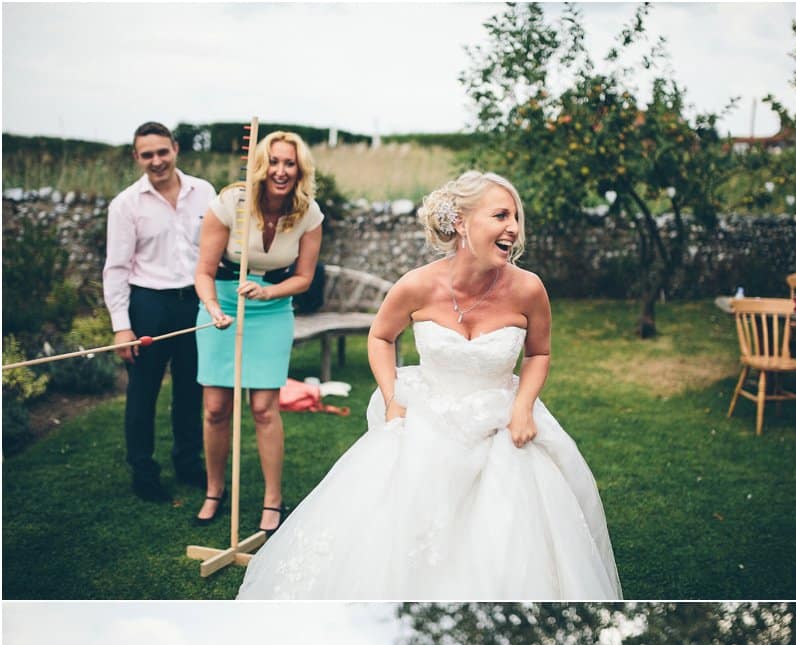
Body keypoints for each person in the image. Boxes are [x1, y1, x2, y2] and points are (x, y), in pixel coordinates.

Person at [236, 171, 621, 600]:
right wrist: (392, 399)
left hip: (501, 424)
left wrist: (523, 408)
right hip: (425, 419)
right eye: (500, 215)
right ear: (461, 222)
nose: (513, 227)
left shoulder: (528, 289)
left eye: (515, 217)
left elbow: (538, 353)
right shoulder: (417, 284)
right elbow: (381, 337)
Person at [193, 130, 324, 534]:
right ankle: (215, 491)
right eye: (274, 162)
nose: (281, 171)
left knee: (265, 408)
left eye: (290, 164)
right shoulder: (232, 202)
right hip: (223, 306)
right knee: (216, 407)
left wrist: (269, 292)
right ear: (260, 165)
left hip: (271, 310)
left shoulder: (309, 213)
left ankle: (272, 500)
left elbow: (303, 278)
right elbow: (203, 271)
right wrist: (213, 308)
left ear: (299, 170)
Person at [106, 121, 215, 503]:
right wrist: (122, 327)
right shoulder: (125, 205)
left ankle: (188, 463)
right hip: (148, 303)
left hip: (195, 302)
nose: (156, 161)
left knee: (191, 388)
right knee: (143, 392)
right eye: (147, 154)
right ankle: (144, 471)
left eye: (162, 152)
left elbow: (218, 248)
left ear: (176, 149)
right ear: (137, 157)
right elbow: (116, 269)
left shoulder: (205, 192)